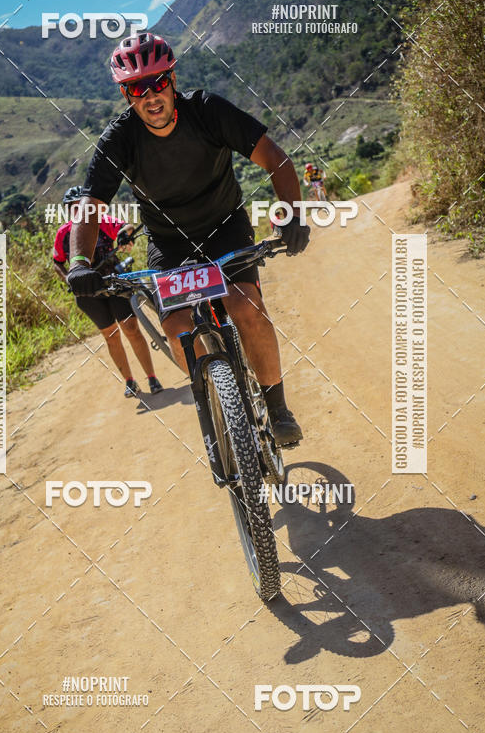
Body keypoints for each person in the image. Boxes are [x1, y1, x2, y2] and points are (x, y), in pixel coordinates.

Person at [66, 33, 310, 445]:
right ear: (127, 95)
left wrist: (292, 215)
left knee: (245, 306)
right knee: (179, 327)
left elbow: (276, 159)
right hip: (169, 243)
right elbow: (91, 206)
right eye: (138, 89)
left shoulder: (208, 111)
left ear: (173, 80)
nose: (151, 96)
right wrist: (79, 263)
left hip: (225, 226)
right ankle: (218, 397)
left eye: (159, 82)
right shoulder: (119, 140)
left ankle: (277, 406)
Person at [53, 185, 163, 397]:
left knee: (131, 328)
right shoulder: (63, 234)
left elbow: (125, 227)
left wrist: (125, 235)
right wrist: (67, 277)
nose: (79, 212)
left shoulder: (102, 222)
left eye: (82, 207)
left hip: (113, 282)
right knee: (110, 335)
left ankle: (151, 377)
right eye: (73, 208)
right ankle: (130, 381)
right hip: (87, 293)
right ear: (68, 210)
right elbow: (57, 261)